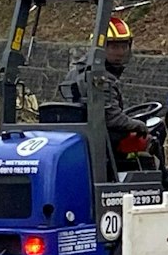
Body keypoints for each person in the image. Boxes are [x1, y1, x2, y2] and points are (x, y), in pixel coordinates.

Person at [62, 17, 151, 157]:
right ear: (99, 48)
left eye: (124, 46)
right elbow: (113, 119)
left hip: (87, 134)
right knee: (154, 135)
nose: (120, 52)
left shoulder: (76, 73)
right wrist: (138, 124)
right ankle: (162, 178)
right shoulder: (99, 78)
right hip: (102, 139)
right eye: (114, 47)